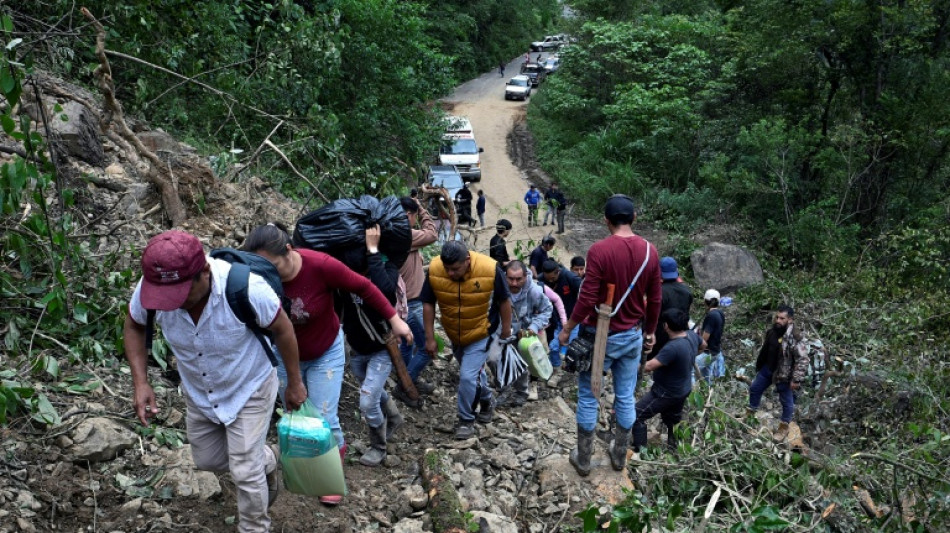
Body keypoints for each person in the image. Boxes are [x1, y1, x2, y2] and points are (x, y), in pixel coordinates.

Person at [123, 230, 308, 532]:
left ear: (204, 273)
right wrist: (141, 383)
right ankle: (269, 459)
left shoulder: (248, 288)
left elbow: (283, 329)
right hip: (200, 390)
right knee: (208, 459)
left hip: (249, 384)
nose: (173, 304)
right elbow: (134, 324)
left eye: (181, 295)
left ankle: (254, 527)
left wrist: (295, 382)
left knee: (245, 471)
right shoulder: (152, 288)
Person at [243, 223, 412, 506]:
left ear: (288, 250)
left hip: (325, 351)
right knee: (295, 417)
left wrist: (394, 319)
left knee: (325, 419)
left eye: (272, 264)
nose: (267, 271)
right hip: (286, 356)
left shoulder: (318, 265)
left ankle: (332, 476)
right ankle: (307, 470)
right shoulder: (259, 277)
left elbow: (364, 287)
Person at [558, 194, 661, 476]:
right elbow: (654, 299)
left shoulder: (599, 251)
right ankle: (619, 456)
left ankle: (584, 458)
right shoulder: (650, 251)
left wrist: (568, 328)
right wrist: (650, 331)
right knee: (626, 395)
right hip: (632, 335)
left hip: (600, 336)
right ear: (634, 218)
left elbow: (587, 294)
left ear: (606, 221)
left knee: (590, 396)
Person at [421, 241, 512, 439]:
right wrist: (430, 338)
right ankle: (487, 399)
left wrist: (506, 330)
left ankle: (466, 419)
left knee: (468, 376)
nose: (450, 274)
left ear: (467, 260)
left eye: (455, 269)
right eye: (447, 269)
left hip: (482, 332)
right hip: (455, 333)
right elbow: (428, 303)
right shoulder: (436, 269)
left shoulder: (489, 269)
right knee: (474, 374)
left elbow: (504, 300)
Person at [335, 226, 405, 467]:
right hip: (357, 349)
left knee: (367, 400)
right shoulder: (344, 277)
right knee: (371, 389)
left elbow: (385, 292)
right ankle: (394, 417)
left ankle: (378, 445)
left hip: (381, 349)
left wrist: (373, 251)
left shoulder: (387, 269)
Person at [633, 309, 705, 454]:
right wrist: (689, 357)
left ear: (666, 326)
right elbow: (703, 344)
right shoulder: (691, 335)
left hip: (665, 392)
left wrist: (627, 364)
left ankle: (641, 452)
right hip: (683, 389)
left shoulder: (673, 347)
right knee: (673, 420)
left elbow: (648, 367)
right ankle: (676, 449)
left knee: (636, 415)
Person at [397, 197, 439, 406]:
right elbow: (432, 234)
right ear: (408, 216)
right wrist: (422, 209)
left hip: (402, 303)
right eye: (413, 216)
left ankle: (408, 378)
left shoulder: (392, 233)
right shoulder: (404, 234)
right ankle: (406, 385)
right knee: (427, 347)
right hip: (412, 303)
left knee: (407, 344)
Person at [747, 305, 809, 442]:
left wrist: (796, 379)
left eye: (782, 318)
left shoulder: (795, 337)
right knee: (755, 389)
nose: (778, 320)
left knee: (787, 402)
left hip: (783, 375)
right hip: (767, 369)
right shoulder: (773, 331)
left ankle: (783, 428)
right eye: (777, 317)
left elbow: (803, 359)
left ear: (790, 320)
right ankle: (750, 416)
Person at [497, 261, 552, 407]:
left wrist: (533, 327)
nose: (514, 283)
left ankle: (521, 391)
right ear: (505, 276)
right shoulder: (497, 286)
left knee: (521, 363)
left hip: (524, 333)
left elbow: (547, 309)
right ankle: (504, 388)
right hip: (501, 331)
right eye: (510, 279)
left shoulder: (534, 291)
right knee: (497, 361)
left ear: (525, 277)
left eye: (518, 279)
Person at [541, 259, 582, 388]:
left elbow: (585, 295)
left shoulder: (570, 277)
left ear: (557, 272)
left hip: (573, 319)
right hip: (557, 319)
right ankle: (557, 371)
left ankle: (574, 373)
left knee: (571, 348)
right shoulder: (542, 279)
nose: (550, 281)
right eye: (548, 279)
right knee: (554, 346)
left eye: (552, 278)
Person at [653, 257, 693, 357]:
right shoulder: (687, 291)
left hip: (661, 337)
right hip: (682, 335)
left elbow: (653, 316)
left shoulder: (659, 293)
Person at [696, 289, 726, 383]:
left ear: (705, 301)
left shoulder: (711, 316)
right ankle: (708, 393)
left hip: (708, 353)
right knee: (707, 375)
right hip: (715, 352)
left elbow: (705, 338)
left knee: (690, 369)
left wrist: (697, 350)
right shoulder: (720, 313)